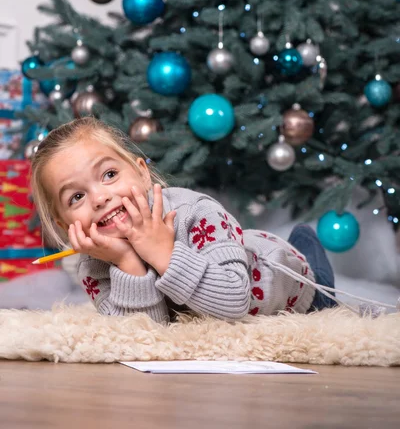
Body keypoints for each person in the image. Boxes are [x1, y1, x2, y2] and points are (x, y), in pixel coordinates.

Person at [30, 117, 336, 324]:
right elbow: (143, 337)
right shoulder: (93, 263)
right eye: (76, 198)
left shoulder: (195, 213)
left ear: (141, 172)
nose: (99, 198)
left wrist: (164, 254)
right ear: (62, 222)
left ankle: (307, 250)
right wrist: (128, 263)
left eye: (109, 175)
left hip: (288, 282)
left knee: (322, 290)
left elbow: (235, 303)